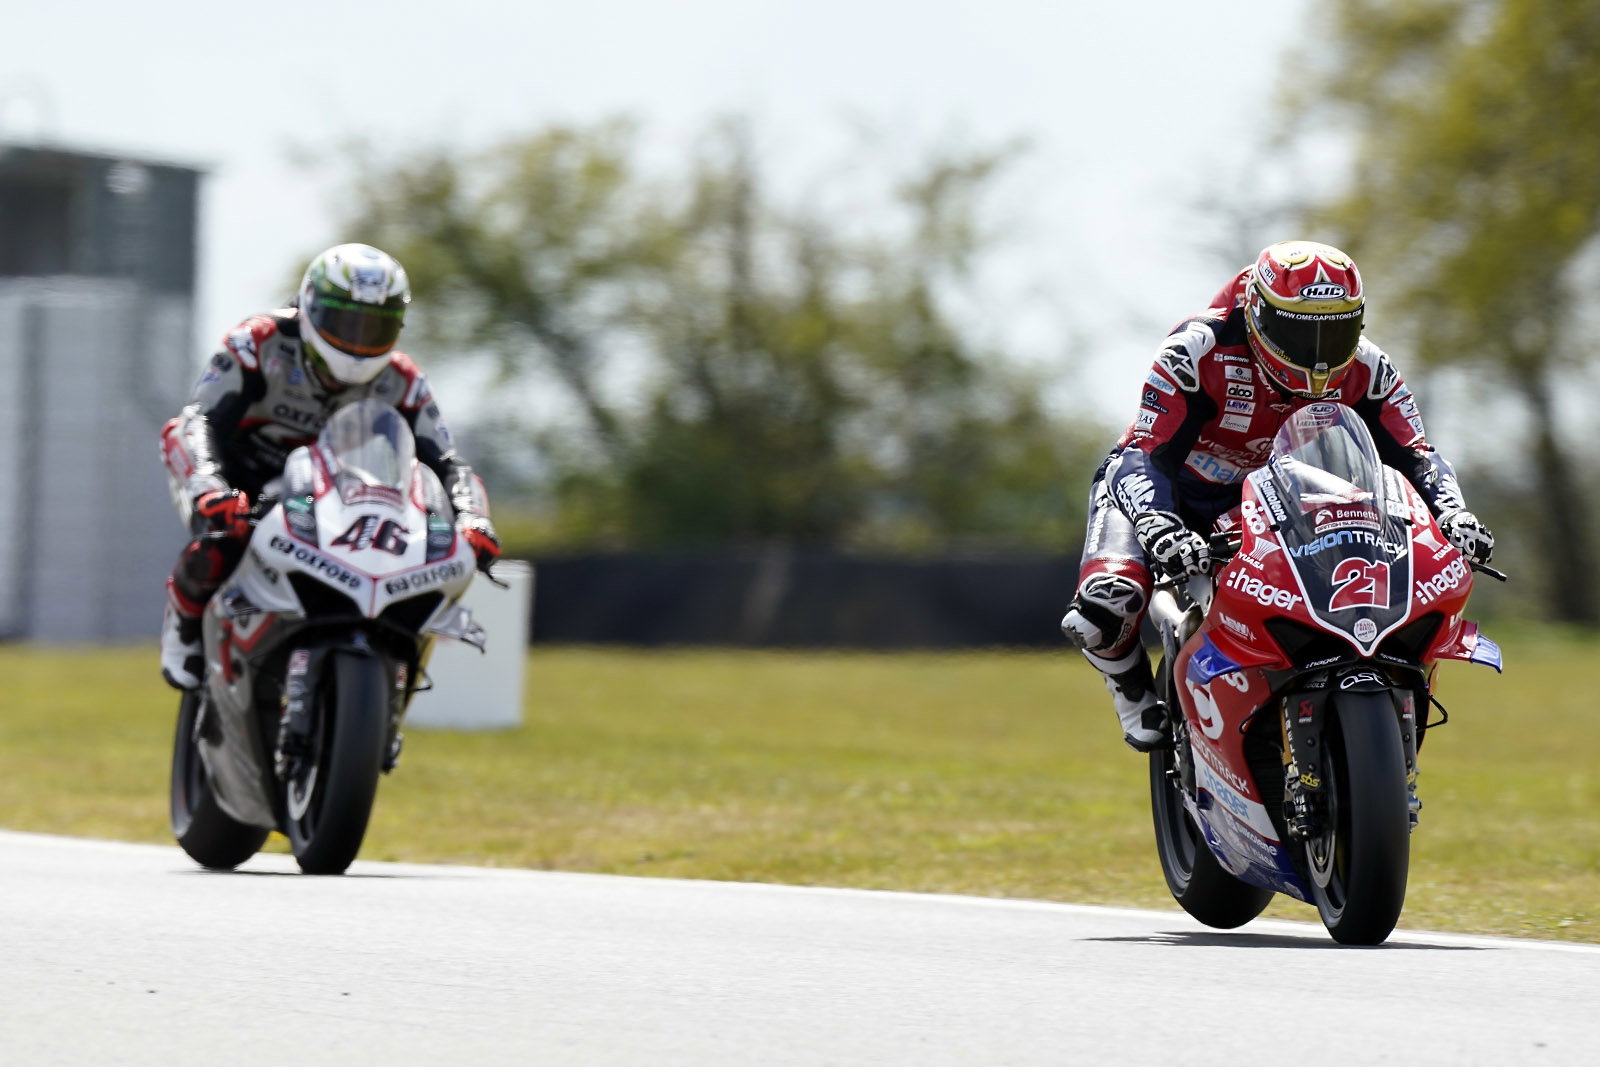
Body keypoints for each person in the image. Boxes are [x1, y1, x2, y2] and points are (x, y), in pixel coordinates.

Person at [1060, 240, 1495, 751]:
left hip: (1263, 500)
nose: (1318, 353)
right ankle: (1129, 686)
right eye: (1299, 330)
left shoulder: (1369, 369)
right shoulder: (1197, 349)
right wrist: (1158, 524)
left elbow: (1415, 453)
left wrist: (1454, 513)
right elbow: (1146, 453)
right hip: (1162, 491)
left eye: (1334, 332)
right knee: (1104, 605)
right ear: (1259, 316)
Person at [157, 243, 501, 690]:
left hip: (340, 493)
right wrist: (210, 487)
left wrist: (474, 519)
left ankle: (392, 666)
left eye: (375, 327)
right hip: (245, 476)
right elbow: (199, 420)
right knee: (223, 538)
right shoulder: (258, 342)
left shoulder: (404, 378)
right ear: (312, 308)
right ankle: (184, 626)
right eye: (347, 323)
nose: (359, 342)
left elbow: (448, 463)